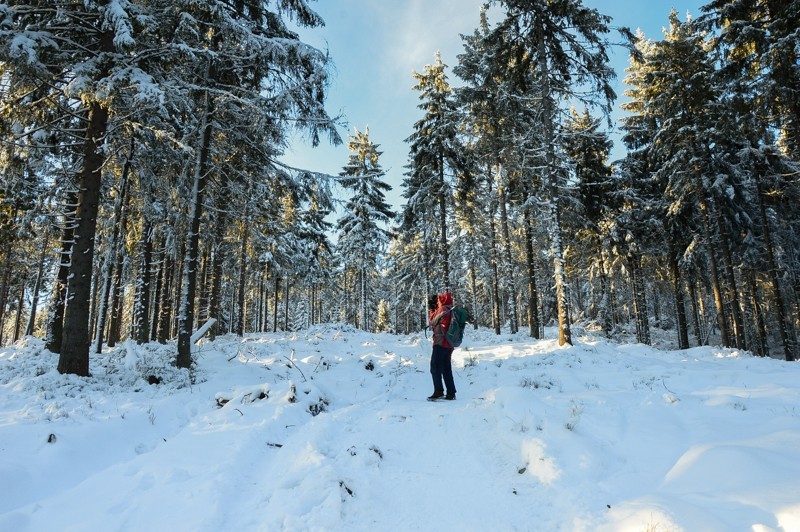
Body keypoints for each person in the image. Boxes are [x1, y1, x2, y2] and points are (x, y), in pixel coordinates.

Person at [428, 291, 457, 400]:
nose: (438, 302)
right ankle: (451, 392)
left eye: (439, 300)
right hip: (449, 344)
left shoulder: (442, 310)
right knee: (446, 368)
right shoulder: (451, 310)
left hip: (440, 343)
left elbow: (433, 321)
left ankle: (438, 391)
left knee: (435, 367)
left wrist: (432, 309)